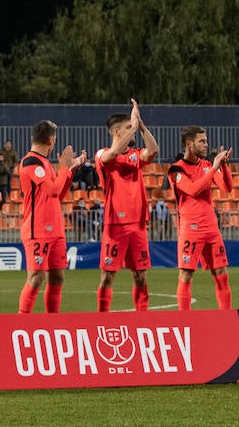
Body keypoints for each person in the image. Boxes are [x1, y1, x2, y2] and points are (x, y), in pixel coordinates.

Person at [95, 99, 160, 312]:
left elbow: (153, 150)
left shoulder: (134, 155)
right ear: (116, 132)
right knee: (108, 276)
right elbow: (112, 155)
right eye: (127, 128)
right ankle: (102, 320)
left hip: (138, 224)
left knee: (140, 275)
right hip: (116, 225)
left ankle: (143, 319)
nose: (131, 131)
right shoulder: (102, 154)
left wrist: (140, 126)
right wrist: (133, 127)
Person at [17, 120, 85, 313]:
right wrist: (64, 167)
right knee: (36, 277)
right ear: (51, 139)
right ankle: (20, 323)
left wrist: (70, 170)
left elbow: (58, 196)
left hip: (55, 229)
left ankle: (52, 323)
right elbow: (53, 191)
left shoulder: (45, 163)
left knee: (57, 277)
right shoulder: (31, 162)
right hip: (37, 229)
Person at [169, 125, 234, 311]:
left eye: (206, 140)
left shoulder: (206, 166)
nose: (206, 144)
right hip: (191, 229)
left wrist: (223, 166)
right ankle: (185, 320)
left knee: (221, 273)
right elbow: (193, 190)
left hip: (211, 228)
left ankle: (226, 317)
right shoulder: (177, 169)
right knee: (186, 274)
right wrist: (214, 167)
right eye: (202, 141)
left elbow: (227, 187)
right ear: (189, 144)